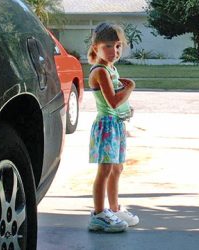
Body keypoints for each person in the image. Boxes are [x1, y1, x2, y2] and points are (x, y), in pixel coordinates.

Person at [87, 22, 139, 233]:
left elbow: (120, 103)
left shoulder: (111, 69)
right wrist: (131, 88)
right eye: (108, 46)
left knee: (117, 168)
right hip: (106, 125)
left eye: (118, 46)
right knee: (105, 169)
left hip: (116, 124)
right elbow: (113, 102)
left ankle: (114, 209)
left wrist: (127, 104)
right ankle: (99, 214)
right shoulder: (100, 71)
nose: (114, 51)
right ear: (95, 48)